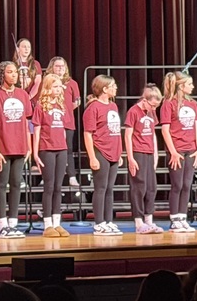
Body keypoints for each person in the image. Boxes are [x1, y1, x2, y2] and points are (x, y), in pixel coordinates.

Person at [0, 61, 32, 238]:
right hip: (3, 146)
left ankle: (13, 223)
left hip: (20, 146)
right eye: (9, 72)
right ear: (2, 74)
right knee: (1, 185)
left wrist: (29, 145)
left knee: (16, 183)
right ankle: (2, 225)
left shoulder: (22, 94)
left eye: (15, 72)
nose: (13, 75)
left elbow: (28, 122)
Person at [82, 75, 123, 235]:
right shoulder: (93, 108)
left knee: (109, 189)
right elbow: (87, 134)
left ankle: (108, 221)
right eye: (113, 86)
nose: (116, 88)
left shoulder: (113, 106)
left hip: (114, 151)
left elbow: (116, 131)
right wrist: (92, 157)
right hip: (100, 151)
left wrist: (119, 152)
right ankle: (99, 223)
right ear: (104, 89)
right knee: (100, 188)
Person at [161, 71, 197, 232]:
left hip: (191, 149)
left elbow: (196, 126)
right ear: (181, 86)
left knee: (187, 184)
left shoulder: (192, 104)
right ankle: (174, 219)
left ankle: (183, 217)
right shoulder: (168, 104)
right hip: (176, 149)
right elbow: (165, 129)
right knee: (177, 184)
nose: (193, 86)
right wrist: (173, 151)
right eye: (190, 84)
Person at [33, 72, 70, 237]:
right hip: (46, 149)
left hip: (61, 149)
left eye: (59, 86)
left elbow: (62, 130)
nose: (58, 89)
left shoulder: (61, 106)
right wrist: (35, 153)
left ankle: (57, 222)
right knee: (48, 186)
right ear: (48, 88)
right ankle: (47, 224)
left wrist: (65, 148)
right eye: (55, 86)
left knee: (58, 187)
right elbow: (37, 130)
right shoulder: (41, 106)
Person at [125, 83, 164, 235]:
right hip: (138, 152)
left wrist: (156, 153)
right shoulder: (133, 111)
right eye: (153, 105)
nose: (154, 109)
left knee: (151, 187)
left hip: (149, 152)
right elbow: (128, 135)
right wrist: (130, 158)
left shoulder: (151, 113)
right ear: (145, 100)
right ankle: (139, 222)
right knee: (138, 188)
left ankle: (149, 220)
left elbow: (153, 134)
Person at [46, 56, 82, 187]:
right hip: (51, 122)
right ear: (52, 68)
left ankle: (71, 176)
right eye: (57, 66)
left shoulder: (71, 83)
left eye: (62, 66)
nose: (60, 69)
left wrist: (66, 110)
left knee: (68, 149)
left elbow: (77, 101)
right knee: (50, 150)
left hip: (67, 122)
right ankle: (47, 177)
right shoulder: (47, 82)